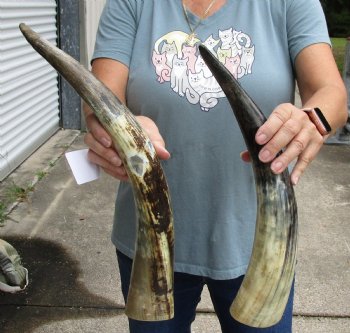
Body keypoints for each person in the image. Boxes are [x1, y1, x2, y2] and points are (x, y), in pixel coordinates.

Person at [83, 1, 348, 332]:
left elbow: (332, 94)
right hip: (152, 238)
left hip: (260, 239)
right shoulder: (131, 3)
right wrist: (115, 128)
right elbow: (101, 98)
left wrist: (312, 119)